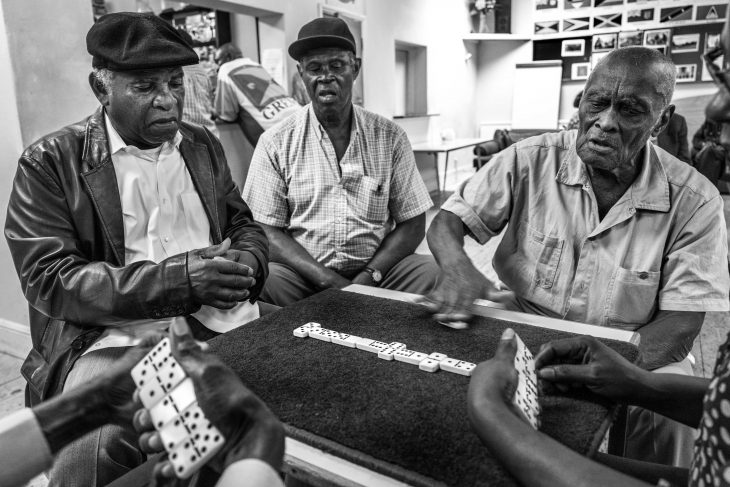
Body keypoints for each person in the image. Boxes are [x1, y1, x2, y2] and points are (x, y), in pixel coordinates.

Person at [423, 46, 730, 467]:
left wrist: (612, 365)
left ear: (661, 120)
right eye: (597, 102)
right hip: (526, 322)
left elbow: (682, 322)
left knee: (668, 418)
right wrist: (457, 267)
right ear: (581, 101)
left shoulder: (695, 200)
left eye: (630, 110)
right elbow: (447, 222)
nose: (605, 122)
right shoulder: (529, 158)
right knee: (450, 379)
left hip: (635, 344)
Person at [4, 12, 269, 486]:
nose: (168, 100)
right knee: (92, 452)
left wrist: (247, 264)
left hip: (223, 320)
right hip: (112, 338)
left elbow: (242, 222)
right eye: (146, 87)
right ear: (101, 88)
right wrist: (179, 281)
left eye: (175, 83)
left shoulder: (202, 144)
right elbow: (52, 279)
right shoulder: (49, 162)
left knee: (306, 409)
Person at [242, 17, 439, 307]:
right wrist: (329, 281)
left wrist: (368, 276)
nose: (326, 77)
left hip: (378, 275)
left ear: (355, 68)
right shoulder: (276, 142)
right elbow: (265, 230)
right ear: (301, 74)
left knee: (432, 273)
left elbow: (413, 222)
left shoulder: (389, 137)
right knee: (262, 282)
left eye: (337, 66)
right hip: (304, 277)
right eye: (315, 68)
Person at [0, 321, 286, 487]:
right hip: (108, 336)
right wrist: (253, 447)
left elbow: (243, 229)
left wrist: (93, 403)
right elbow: (52, 275)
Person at [213, 43, 300, 146]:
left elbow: (226, 114)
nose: (217, 67)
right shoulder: (256, 65)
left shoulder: (225, 69)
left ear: (228, 57)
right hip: (298, 114)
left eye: (218, 61)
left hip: (278, 134)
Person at [179, 29, 219, 137]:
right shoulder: (201, 71)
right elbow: (211, 107)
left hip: (188, 139)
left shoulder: (172, 74)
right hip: (211, 136)